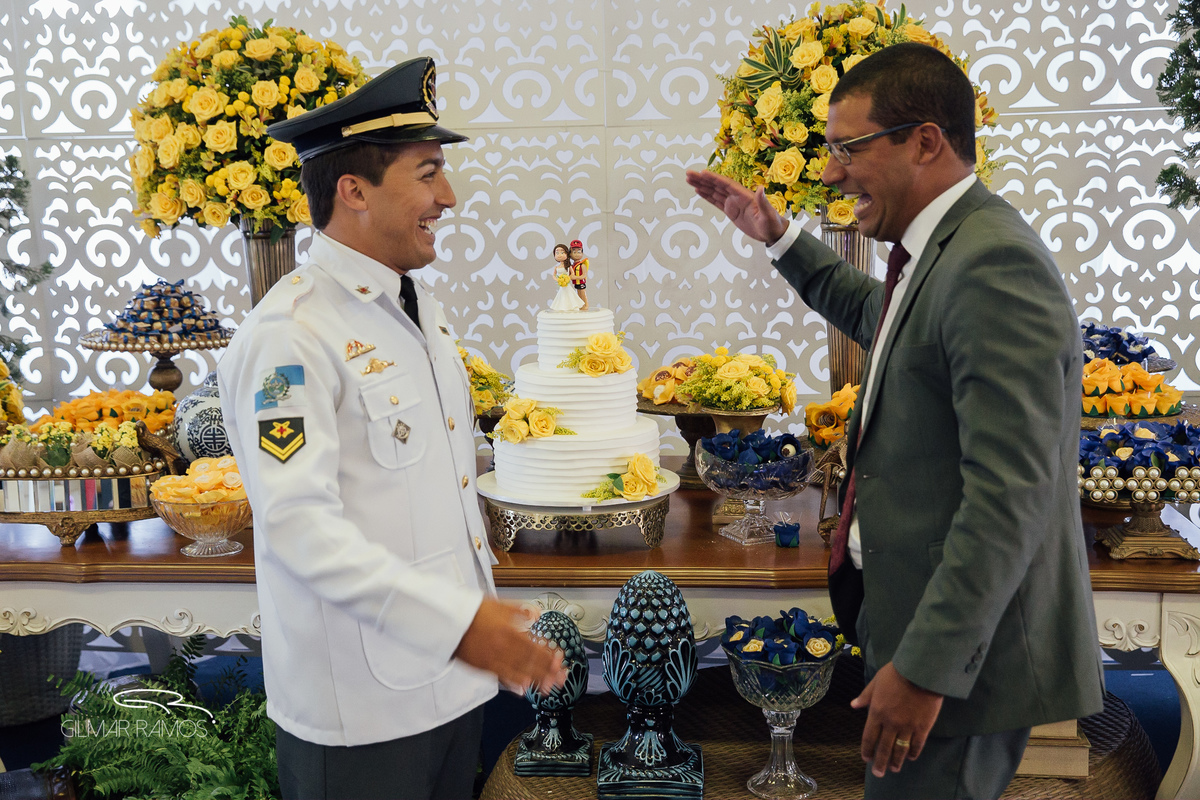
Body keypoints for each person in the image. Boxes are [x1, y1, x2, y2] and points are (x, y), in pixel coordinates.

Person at [686, 42, 1104, 800]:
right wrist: (778, 236)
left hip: (957, 667)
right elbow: (884, 321)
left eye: (848, 148)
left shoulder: (993, 264)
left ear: (925, 141)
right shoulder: (945, 250)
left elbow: (1011, 494)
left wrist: (923, 669)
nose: (830, 171)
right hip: (920, 638)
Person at [218, 57, 565, 800]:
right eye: (430, 172)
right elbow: (298, 527)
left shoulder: (410, 306)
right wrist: (457, 624)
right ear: (354, 191)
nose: (450, 196)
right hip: (361, 705)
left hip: (445, 685)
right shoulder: (291, 334)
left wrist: (464, 630)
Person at [549, 242, 584, 311]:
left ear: (567, 254)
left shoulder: (568, 266)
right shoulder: (556, 267)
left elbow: (572, 274)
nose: (560, 255)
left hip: (567, 284)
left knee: (570, 294)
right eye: (557, 253)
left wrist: (567, 278)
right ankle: (562, 307)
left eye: (562, 253)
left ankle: (573, 306)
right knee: (562, 295)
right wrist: (558, 280)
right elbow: (554, 275)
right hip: (561, 284)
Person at [568, 239, 590, 310]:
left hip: (581, 282)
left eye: (579, 252)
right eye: (574, 252)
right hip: (576, 283)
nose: (577, 254)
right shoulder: (572, 265)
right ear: (570, 254)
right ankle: (581, 305)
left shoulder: (582, 265)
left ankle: (586, 305)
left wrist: (575, 277)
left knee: (583, 294)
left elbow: (584, 275)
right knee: (579, 294)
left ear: (582, 253)